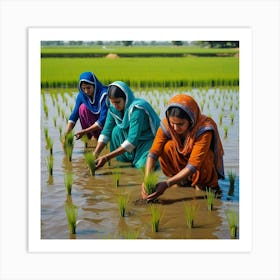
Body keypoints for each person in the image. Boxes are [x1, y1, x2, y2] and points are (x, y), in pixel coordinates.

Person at [141, 94, 225, 201]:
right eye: (172, 123)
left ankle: (201, 185)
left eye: (180, 124)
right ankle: (180, 181)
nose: (175, 128)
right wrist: (147, 178)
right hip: (183, 167)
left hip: (199, 167)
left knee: (206, 156)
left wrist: (167, 184)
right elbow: (153, 153)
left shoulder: (204, 129)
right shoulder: (166, 125)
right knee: (167, 147)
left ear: (190, 120)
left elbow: (194, 164)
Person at [94, 81, 160, 169]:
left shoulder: (137, 110)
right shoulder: (113, 108)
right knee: (116, 131)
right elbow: (106, 131)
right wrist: (95, 154)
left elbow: (132, 140)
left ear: (126, 98)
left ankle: (145, 158)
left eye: (118, 102)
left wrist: (106, 157)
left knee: (142, 166)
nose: (115, 105)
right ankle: (127, 158)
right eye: (112, 102)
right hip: (131, 137)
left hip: (146, 140)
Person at [63, 71, 108, 142]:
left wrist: (85, 131)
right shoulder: (82, 95)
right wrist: (66, 134)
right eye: (83, 88)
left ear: (95, 85)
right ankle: (93, 135)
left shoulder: (104, 95)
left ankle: (103, 136)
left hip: (106, 124)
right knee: (82, 108)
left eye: (88, 88)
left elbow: (103, 119)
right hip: (94, 124)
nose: (86, 91)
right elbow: (74, 115)